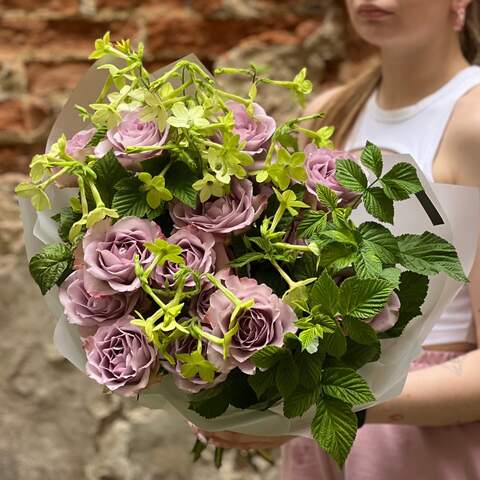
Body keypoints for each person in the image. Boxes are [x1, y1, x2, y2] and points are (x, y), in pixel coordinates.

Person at [200, 1, 480, 478]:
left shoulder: (471, 124)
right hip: (323, 440)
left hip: (419, 442)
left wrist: (336, 409)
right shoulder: (326, 114)